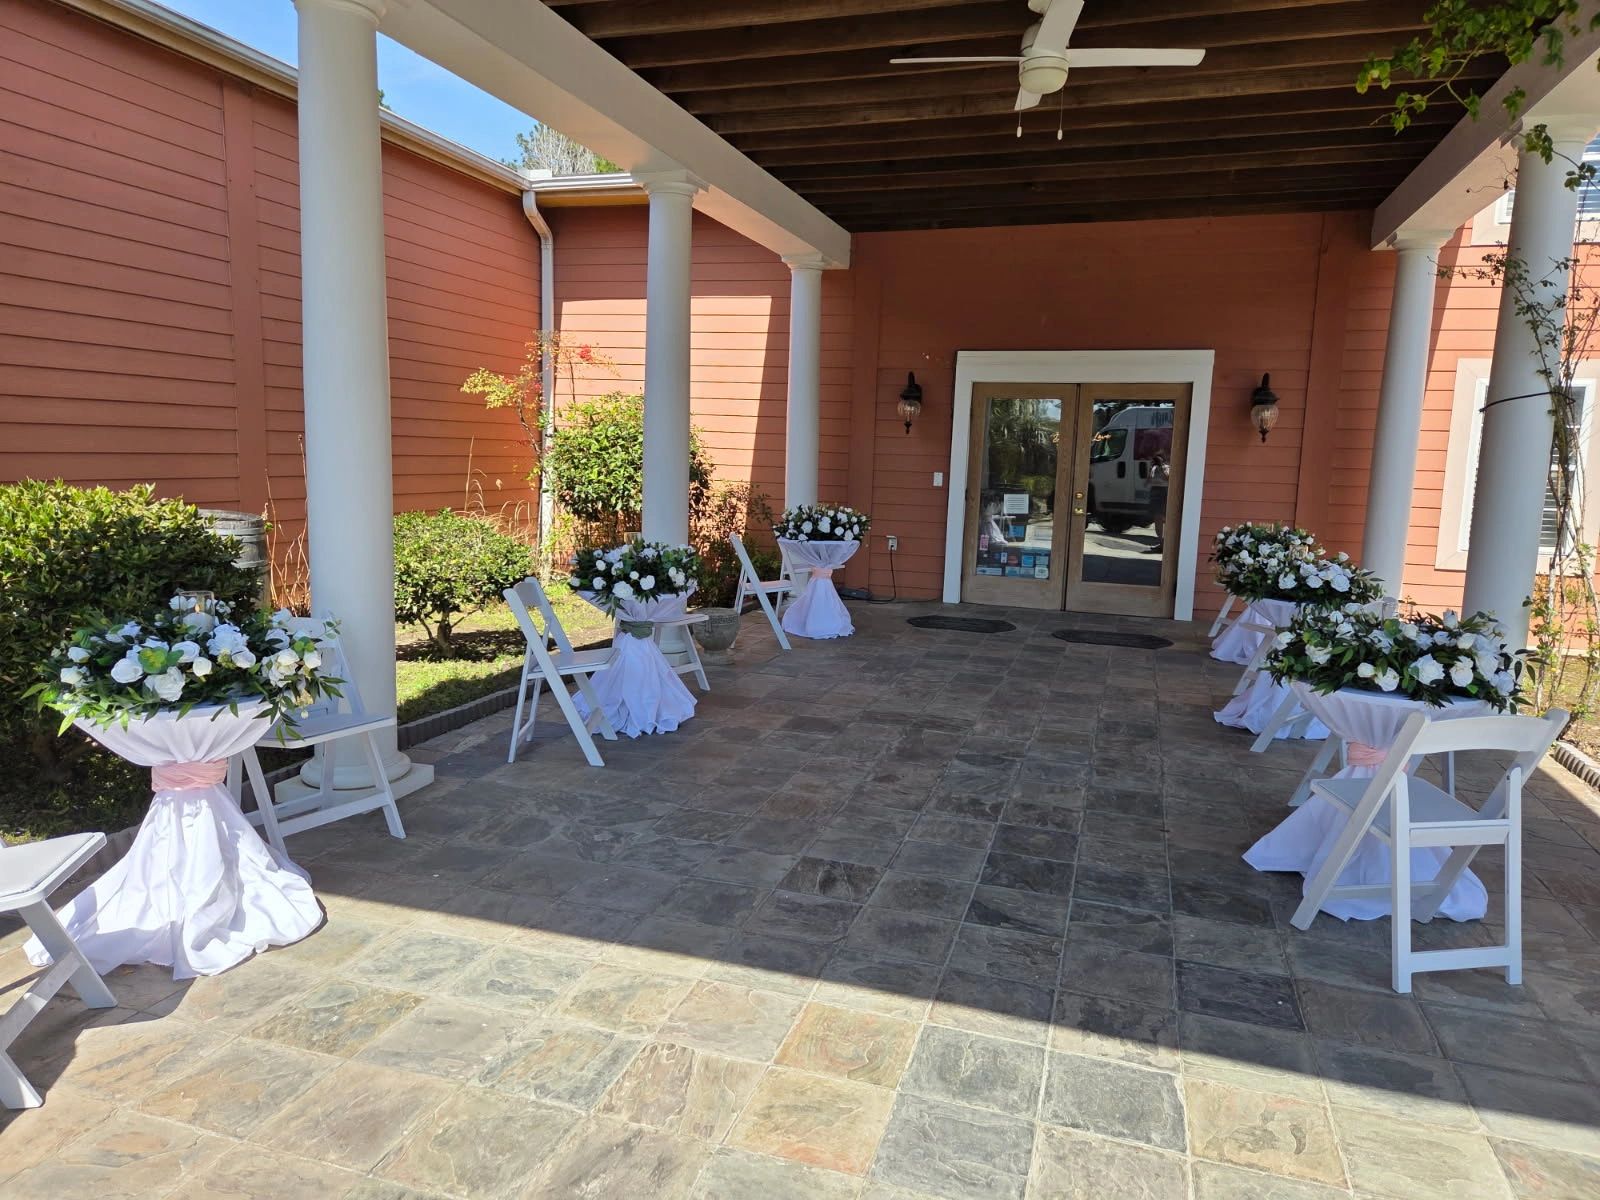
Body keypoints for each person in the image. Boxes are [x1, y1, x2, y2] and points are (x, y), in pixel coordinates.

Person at [1145, 452, 1170, 553]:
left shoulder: (1166, 468)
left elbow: (1169, 478)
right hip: (1155, 491)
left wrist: (1163, 468)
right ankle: (1161, 542)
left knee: (1165, 518)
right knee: (1157, 518)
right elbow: (1147, 482)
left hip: (1164, 492)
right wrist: (1151, 469)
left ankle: (1165, 544)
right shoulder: (1153, 469)